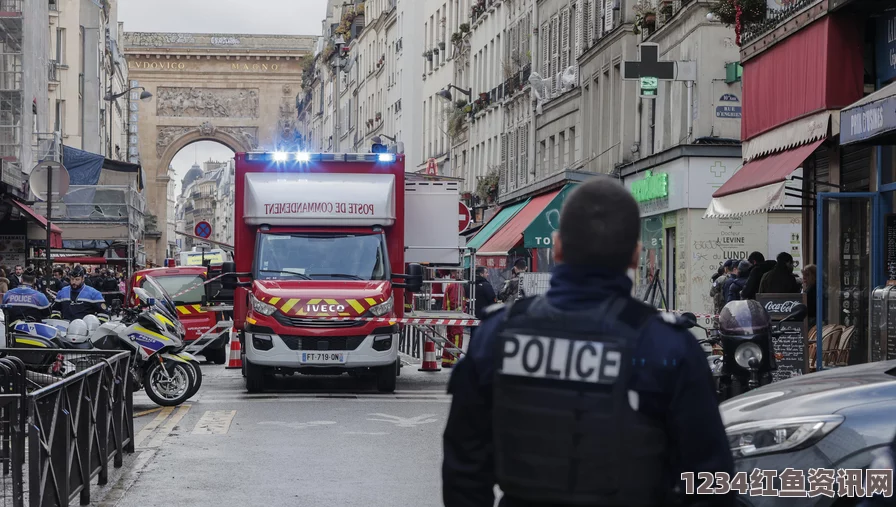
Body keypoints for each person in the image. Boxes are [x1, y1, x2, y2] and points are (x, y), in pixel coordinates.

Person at [442, 177, 734, 507]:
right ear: (636, 256)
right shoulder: (669, 347)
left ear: (558, 247)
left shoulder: (497, 335)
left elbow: (463, 471)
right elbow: (710, 481)